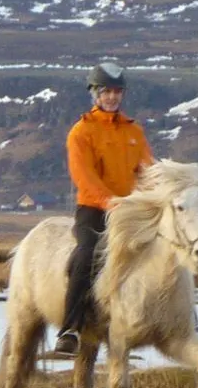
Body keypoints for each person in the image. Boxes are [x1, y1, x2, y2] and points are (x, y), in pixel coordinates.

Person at [53, 62, 154, 354]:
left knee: (168, 249)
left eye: (117, 91)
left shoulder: (133, 130)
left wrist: (158, 194)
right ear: (95, 94)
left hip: (130, 209)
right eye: (106, 91)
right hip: (95, 210)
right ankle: (70, 328)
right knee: (85, 256)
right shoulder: (81, 131)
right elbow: (84, 176)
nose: (112, 97)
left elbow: (147, 169)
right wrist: (110, 202)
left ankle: (188, 323)